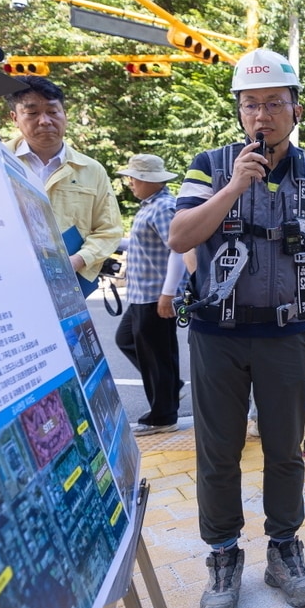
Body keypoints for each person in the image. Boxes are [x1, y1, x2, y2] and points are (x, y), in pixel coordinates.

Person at [168, 47, 305, 608]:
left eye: (273, 104)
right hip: (218, 335)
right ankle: (222, 554)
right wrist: (234, 189)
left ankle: (284, 549)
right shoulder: (209, 164)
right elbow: (180, 236)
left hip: (288, 334)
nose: (261, 116)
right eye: (250, 105)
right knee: (217, 451)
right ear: (239, 112)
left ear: (295, 109)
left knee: (286, 447)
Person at [4, 75, 123, 287]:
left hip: (67, 283)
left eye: (52, 112)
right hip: (8, 277)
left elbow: (109, 230)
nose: (44, 121)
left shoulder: (91, 170)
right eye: (32, 113)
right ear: (14, 118)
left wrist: (76, 261)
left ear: (64, 114)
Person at [114, 153, 186, 436]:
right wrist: (113, 242)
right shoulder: (150, 206)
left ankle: (163, 415)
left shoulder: (163, 207)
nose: (130, 183)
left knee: (157, 355)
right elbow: (144, 242)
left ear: (147, 180)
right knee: (129, 341)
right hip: (142, 294)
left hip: (156, 296)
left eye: (133, 178)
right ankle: (169, 390)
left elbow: (179, 249)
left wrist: (169, 294)